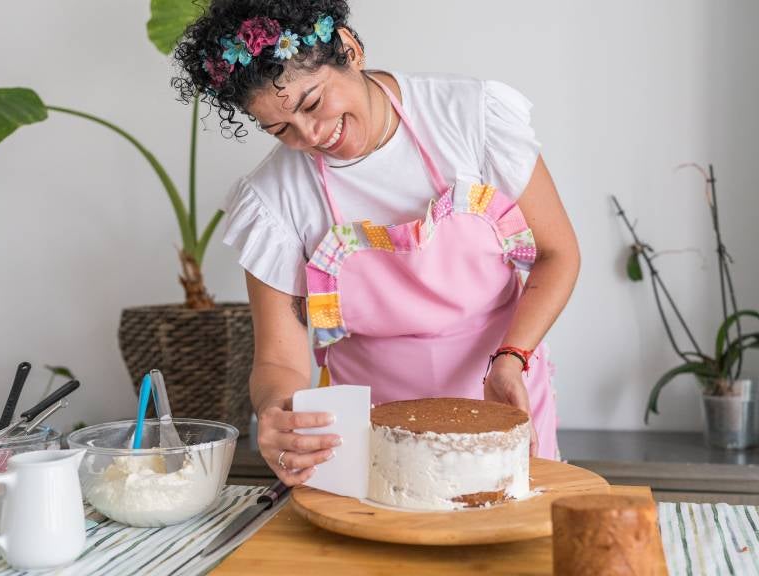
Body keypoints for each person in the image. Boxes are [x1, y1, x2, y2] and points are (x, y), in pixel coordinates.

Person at [173, 0, 579, 486]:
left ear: (349, 49)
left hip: (504, 391)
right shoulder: (273, 199)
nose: (311, 135)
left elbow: (558, 254)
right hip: (372, 433)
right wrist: (277, 412)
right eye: (280, 129)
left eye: (311, 103)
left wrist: (512, 358)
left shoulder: (469, 117)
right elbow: (278, 360)